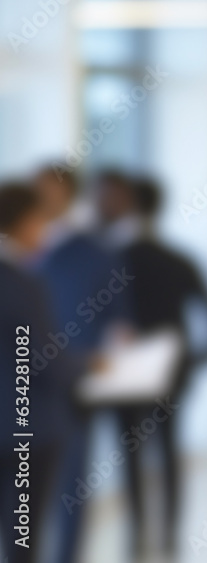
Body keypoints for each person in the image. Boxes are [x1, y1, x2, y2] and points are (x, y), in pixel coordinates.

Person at [113, 176, 207, 558]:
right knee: (169, 449)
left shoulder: (116, 260)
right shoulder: (178, 259)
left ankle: (137, 531)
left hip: (125, 373)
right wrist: (203, 355)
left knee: (131, 453)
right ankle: (171, 532)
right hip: (173, 369)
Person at [33, 165, 125, 563]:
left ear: (68, 194)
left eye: (48, 191)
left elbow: (120, 324)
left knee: (71, 487)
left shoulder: (96, 254)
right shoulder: (21, 253)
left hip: (72, 388)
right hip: (18, 390)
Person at [0, 183, 80, 563]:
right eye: (39, 222)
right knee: (23, 538)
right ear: (23, 222)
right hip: (27, 428)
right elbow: (44, 357)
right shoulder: (24, 282)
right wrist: (85, 368)